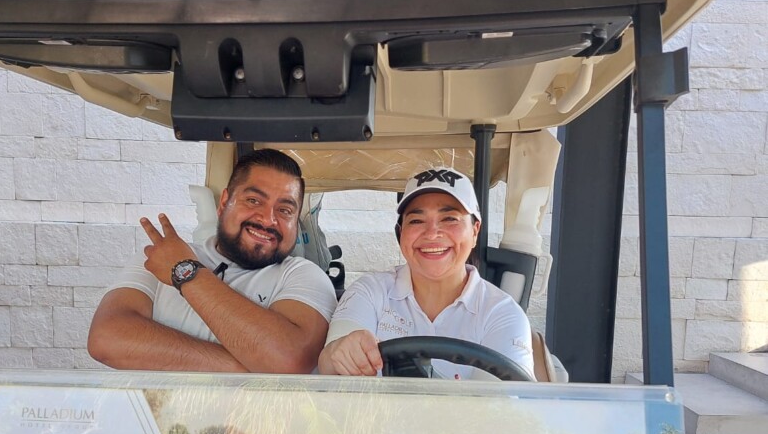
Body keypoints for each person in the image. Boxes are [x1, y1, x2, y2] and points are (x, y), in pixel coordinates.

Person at [88, 148, 337, 373]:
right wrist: (245, 367)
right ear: (224, 202)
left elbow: (289, 359)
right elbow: (106, 338)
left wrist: (186, 272)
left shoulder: (305, 276)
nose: (268, 219)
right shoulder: (162, 256)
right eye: (253, 201)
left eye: (284, 210)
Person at [317, 167, 534, 380]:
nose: (431, 234)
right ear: (401, 233)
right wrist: (342, 351)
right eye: (416, 221)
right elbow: (330, 360)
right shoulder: (369, 291)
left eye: (449, 219)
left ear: (475, 231)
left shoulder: (502, 313)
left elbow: (504, 399)